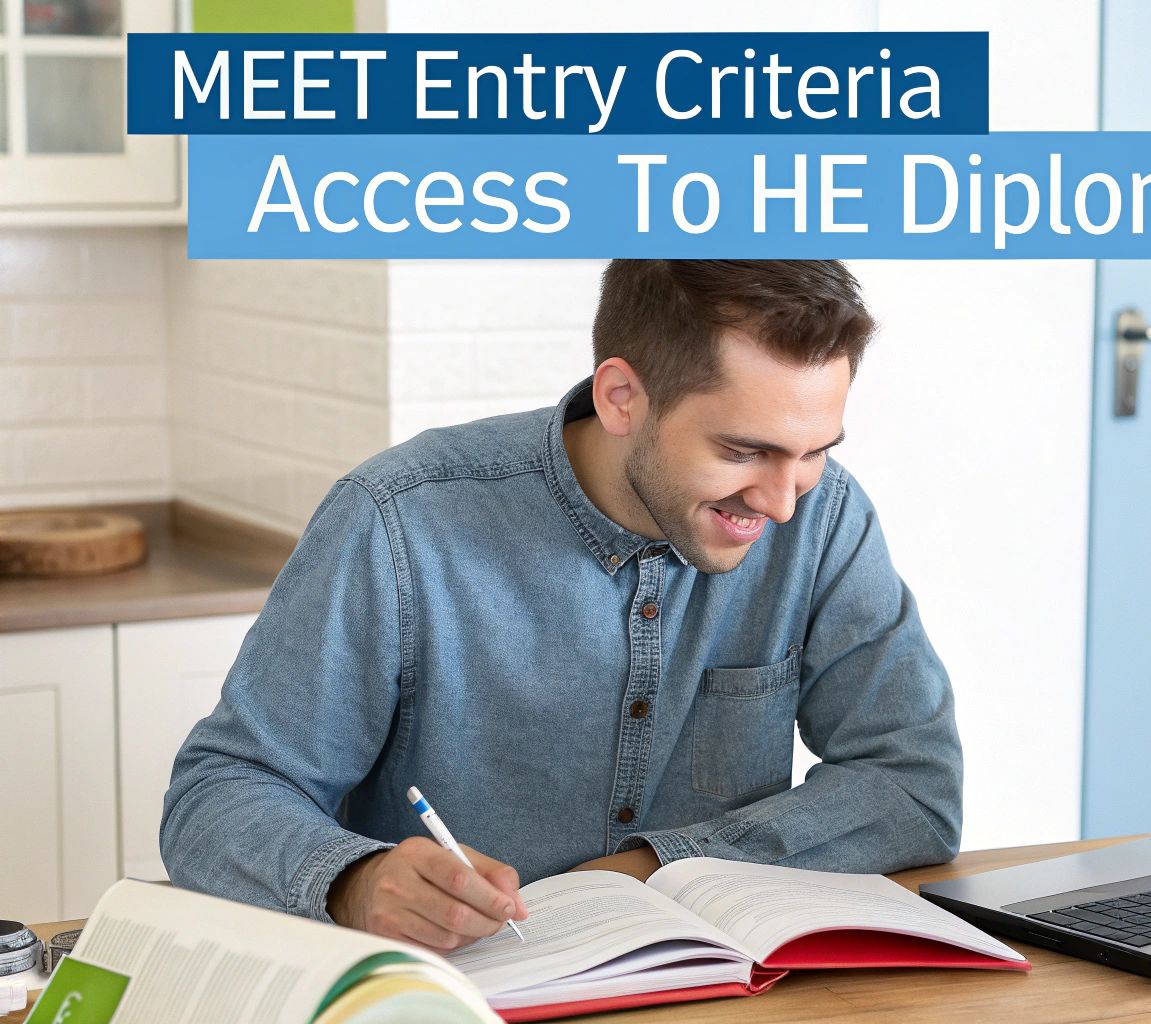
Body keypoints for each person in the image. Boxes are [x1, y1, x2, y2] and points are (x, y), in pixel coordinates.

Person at [161, 259, 963, 952]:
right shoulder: (401, 520)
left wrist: (656, 865)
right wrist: (355, 881)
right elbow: (219, 793)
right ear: (621, 397)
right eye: (743, 450)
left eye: (814, 453)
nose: (784, 502)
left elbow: (911, 781)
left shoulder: (824, 520)